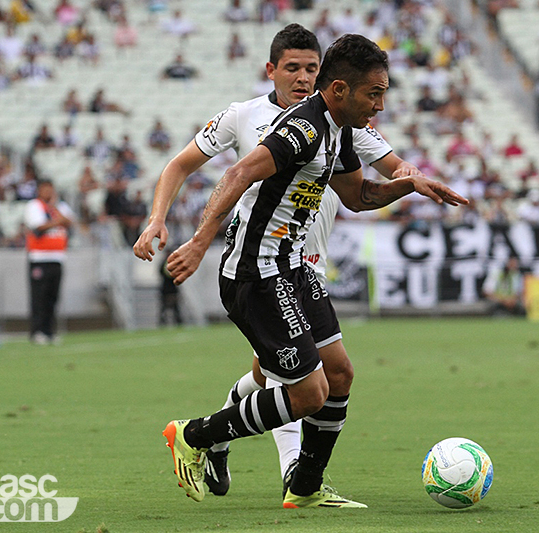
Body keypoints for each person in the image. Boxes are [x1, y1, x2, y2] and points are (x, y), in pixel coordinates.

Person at [137, 32, 467, 508]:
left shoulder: (340, 130)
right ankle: (195, 435)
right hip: (256, 273)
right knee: (310, 393)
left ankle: (306, 487)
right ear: (339, 91)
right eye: (374, 94)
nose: (379, 105)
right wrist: (199, 240)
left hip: (294, 268)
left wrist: (409, 185)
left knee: (340, 374)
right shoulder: (303, 130)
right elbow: (237, 174)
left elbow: (359, 196)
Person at [24, 179, 74, 345]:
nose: (48, 192)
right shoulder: (34, 206)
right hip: (39, 258)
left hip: (57, 257)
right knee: (39, 296)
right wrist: (58, 220)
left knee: (53, 296)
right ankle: (37, 331)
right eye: (45, 189)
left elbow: (70, 222)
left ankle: (49, 331)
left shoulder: (59, 206)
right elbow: (38, 226)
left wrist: (56, 212)